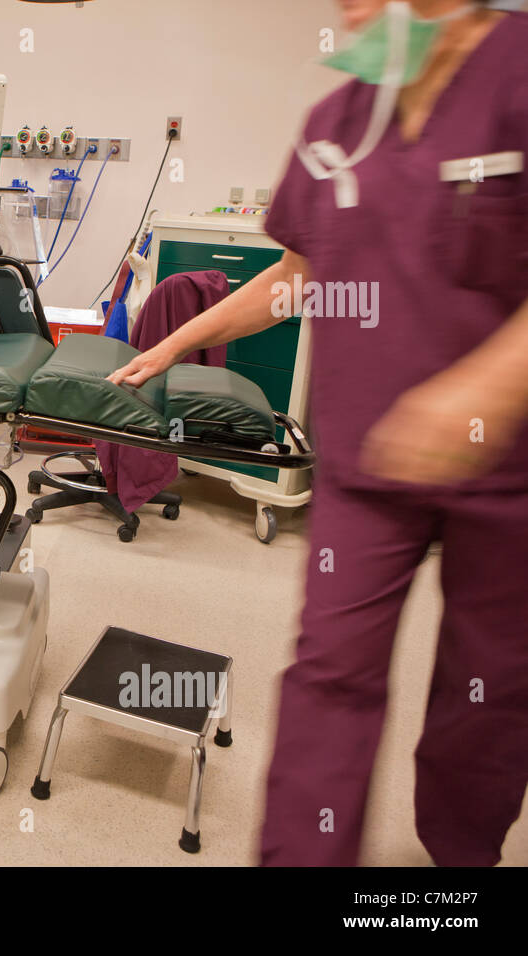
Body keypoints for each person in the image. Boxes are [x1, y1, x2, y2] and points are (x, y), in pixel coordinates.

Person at [108, 0, 528, 865]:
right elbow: (298, 277)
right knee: (328, 678)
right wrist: (173, 345)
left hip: (510, 469)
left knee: (487, 695)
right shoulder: (336, 122)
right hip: (368, 460)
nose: (355, 9)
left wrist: (479, 388)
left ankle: (461, 860)